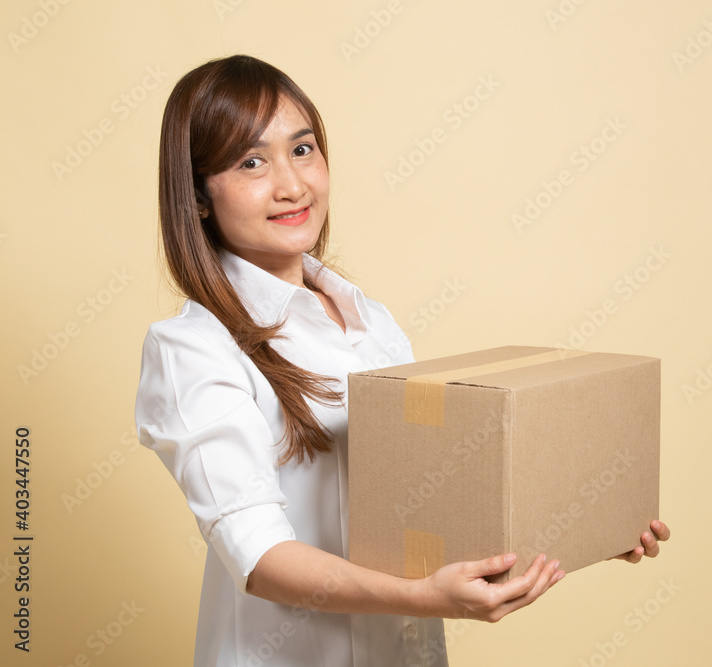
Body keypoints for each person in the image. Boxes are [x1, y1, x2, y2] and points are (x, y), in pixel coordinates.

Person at [135, 54, 670, 666]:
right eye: (251, 162)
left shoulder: (368, 320)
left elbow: (427, 494)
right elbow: (258, 557)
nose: (292, 184)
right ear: (198, 196)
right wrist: (421, 596)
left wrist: (581, 520)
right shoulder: (192, 348)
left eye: (303, 150)